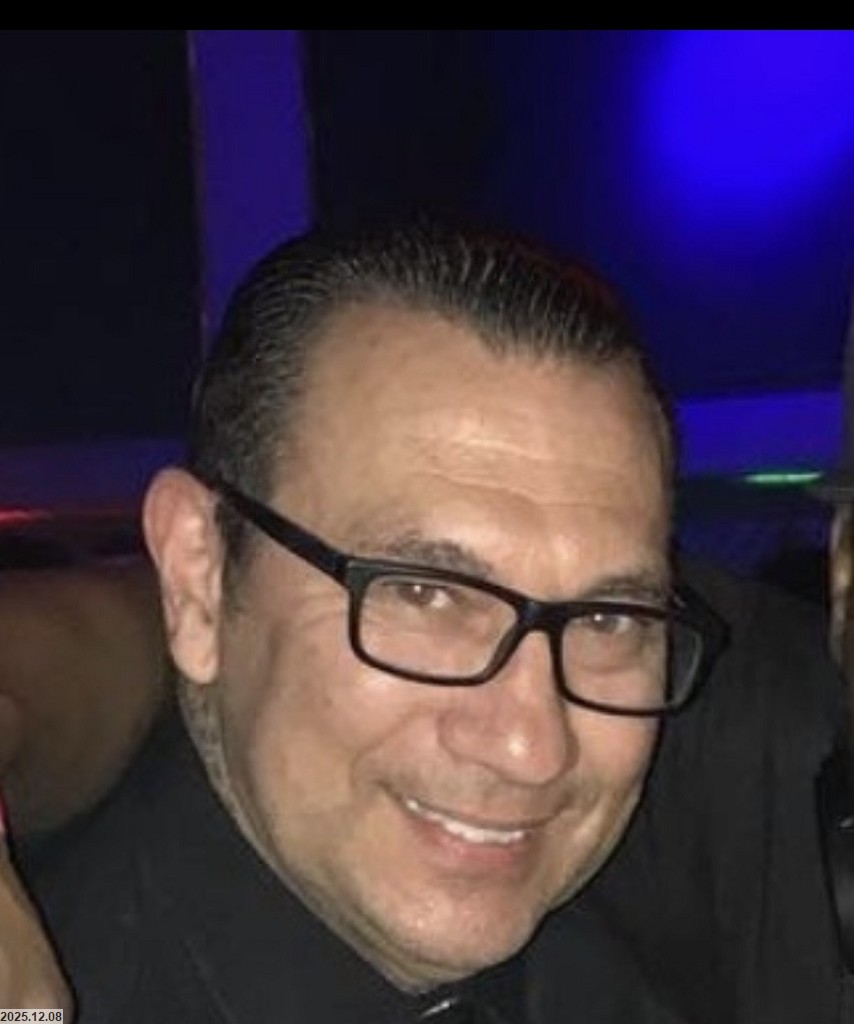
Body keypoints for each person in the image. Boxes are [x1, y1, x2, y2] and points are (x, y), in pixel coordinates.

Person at [15, 217, 727, 1022]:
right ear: (198, 578)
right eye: (423, 594)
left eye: (608, 620)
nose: (531, 749)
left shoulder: (652, 975)